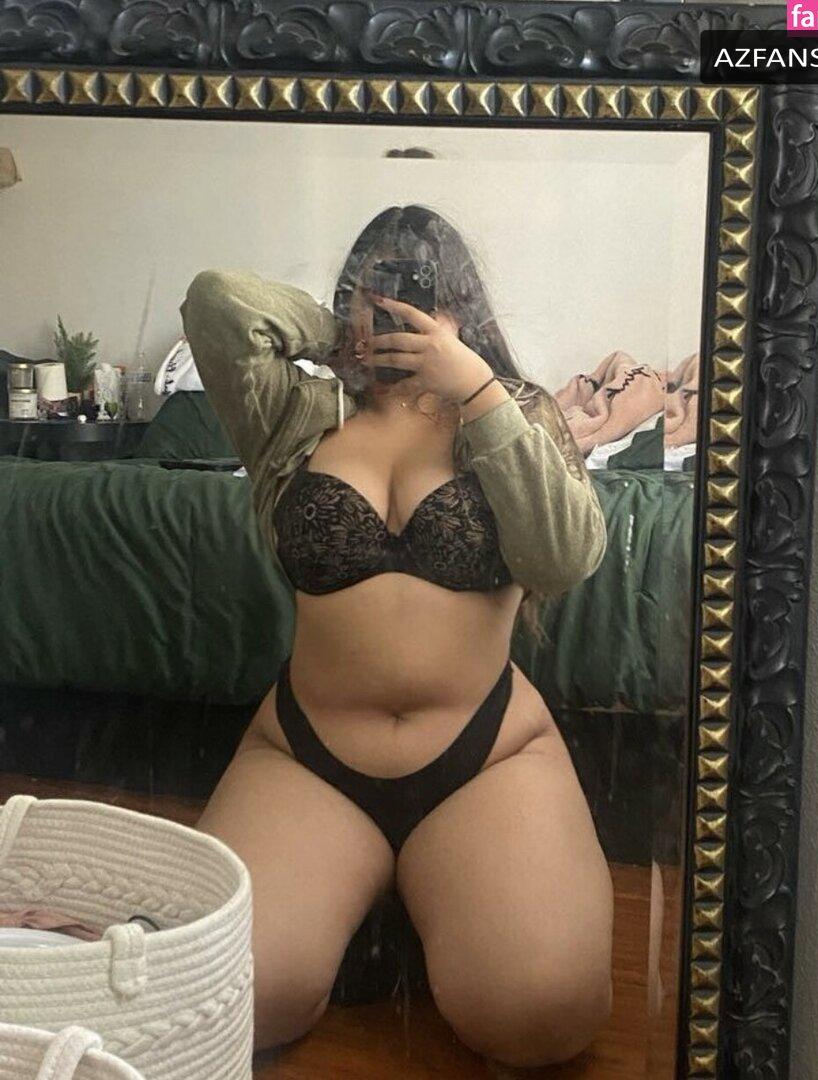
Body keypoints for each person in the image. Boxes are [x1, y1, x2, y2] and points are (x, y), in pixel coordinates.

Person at [181, 205, 614, 1068]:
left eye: (420, 289)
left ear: (461, 303)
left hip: (485, 755)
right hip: (306, 754)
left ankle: (415, 906)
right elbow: (217, 302)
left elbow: (565, 558)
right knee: (224, 1005)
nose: (397, 308)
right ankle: (382, 904)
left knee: (540, 1019)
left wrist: (475, 385)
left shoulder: (513, 409)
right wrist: (341, 335)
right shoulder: (296, 409)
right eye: (375, 288)